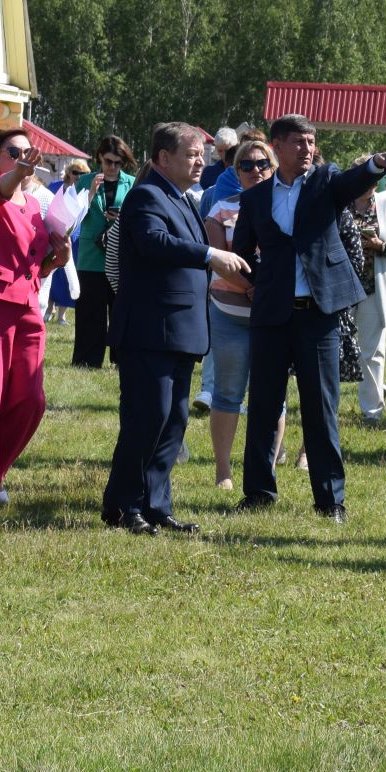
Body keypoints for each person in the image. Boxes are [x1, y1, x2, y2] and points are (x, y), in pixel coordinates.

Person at [231, 115, 386, 520]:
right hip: (272, 315)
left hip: (318, 317)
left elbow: (352, 182)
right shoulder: (254, 198)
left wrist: (378, 164)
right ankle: (258, 493)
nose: (307, 149)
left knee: (321, 409)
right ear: (276, 145)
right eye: (299, 142)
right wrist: (257, 286)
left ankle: (330, 501)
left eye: (311, 142)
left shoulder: (325, 181)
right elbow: (242, 254)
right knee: (263, 407)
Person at [101, 123, 253, 534]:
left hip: (181, 330)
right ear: (163, 158)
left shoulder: (183, 198)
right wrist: (211, 254)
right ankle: (123, 506)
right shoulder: (146, 196)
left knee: (173, 421)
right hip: (151, 331)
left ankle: (156, 505)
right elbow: (154, 242)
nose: (200, 160)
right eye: (191, 154)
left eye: (202, 153)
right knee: (147, 419)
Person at [0, 129, 69, 509]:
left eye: (28, 152)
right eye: (14, 151)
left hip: (28, 311)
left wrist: (59, 259)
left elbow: (35, 265)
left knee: (31, 399)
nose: (25, 157)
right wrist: (18, 173)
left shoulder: (36, 208)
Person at [201, 134, 284, 491]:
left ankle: (266, 472)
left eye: (262, 163)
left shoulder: (286, 209)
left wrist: (264, 292)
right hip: (229, 313)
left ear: (273, 167)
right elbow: (220, 262)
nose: (255, 170)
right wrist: (254, 288)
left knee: (272, 396)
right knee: (228, 392)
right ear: (236, 171)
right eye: (246, 165)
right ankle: (224, 472)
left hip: (274, 316)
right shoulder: (220, 210)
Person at [348, 164, 386, 425]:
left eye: (375, 179)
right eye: (366, 178)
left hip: (373, 287)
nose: (371, 184)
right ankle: (324, 404)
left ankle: (372, 411)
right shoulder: (339, 203)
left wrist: (381, 246)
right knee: (333, 349)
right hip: (341, 290)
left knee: (372, 352)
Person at [72, 136, 136, 369]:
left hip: (120, 254)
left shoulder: (132, 183)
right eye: (109, 161)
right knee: (90, 310)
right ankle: (87, 359)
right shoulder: (84, 181)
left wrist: (121, 218)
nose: (113, 167)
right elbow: (73, 217)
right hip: (91, 256)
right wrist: (90, 194)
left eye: (118, 163)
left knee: (120, 309)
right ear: (99, 157)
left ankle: (122, 358)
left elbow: (139, 216)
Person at [45, 159, 88, 325]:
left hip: (74, 238)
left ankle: (62, 314)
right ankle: (49, 308)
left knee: (66, 275)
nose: (78, 176)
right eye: (75, 172)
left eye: (82, 173)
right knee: (50, 271)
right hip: (53, 234)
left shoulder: (85, 191)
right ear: (69, 172)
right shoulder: (55, 186)